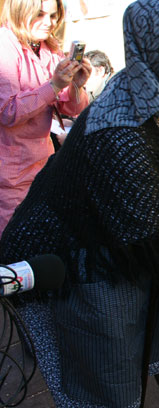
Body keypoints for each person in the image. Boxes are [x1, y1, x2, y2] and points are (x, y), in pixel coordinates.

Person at [0, 1, 159, 408]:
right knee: (112, 368)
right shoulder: (117, 128)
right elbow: (149, 232)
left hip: (129, 247)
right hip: (88, 262)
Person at [0, 0, 90, 236]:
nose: (49, 23)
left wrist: (76, 87)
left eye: (53, 16)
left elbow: (70, 108)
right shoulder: (4, 45)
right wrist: (54, 84)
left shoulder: (49, 48)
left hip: (43, 167)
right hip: (9, 175)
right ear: (20, 10)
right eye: (40, 15)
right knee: (12, 252)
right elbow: (8, 112)